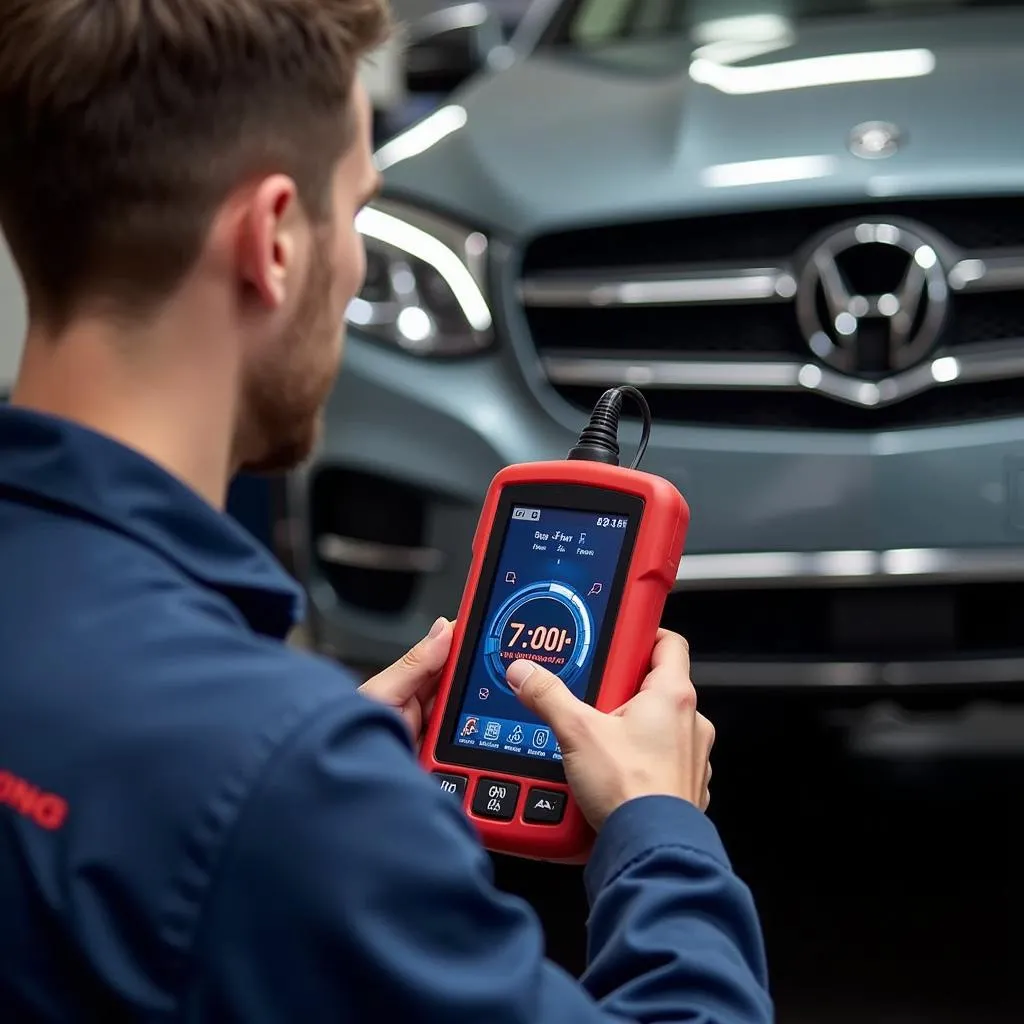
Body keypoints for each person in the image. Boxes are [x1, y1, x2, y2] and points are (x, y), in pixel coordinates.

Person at [0, 2, 773, 1021]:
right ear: (274, 238)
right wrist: (660, 829)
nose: (357, 267)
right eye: (357, 212)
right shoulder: (282, 781)